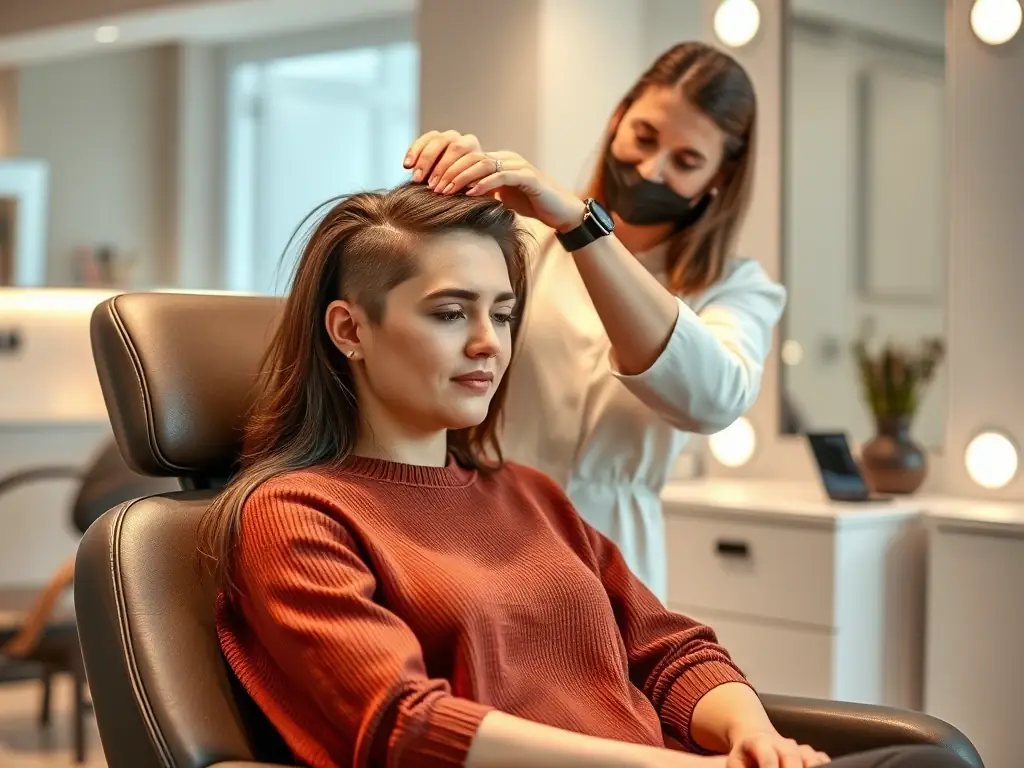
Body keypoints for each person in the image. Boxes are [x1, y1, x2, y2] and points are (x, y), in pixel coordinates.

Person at [200, 183, 968, 768]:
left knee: (932, 758)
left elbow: (670, 651)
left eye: (502, 314)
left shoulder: (529, 494)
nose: (487, 344)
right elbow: (408, 725)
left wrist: (758, 740)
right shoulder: (296, 514)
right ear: (349, 329)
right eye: (448, 313)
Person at [402, 42, 784, 601]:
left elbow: (714, 399)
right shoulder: (527, 236)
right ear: (616, 121)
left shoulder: (736, 288)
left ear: (718, 179)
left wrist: (585, 230)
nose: (651, 170)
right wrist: (441, 180)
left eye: (686, 161)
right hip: (477, 523)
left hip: (616, 556)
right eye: (645, 138)